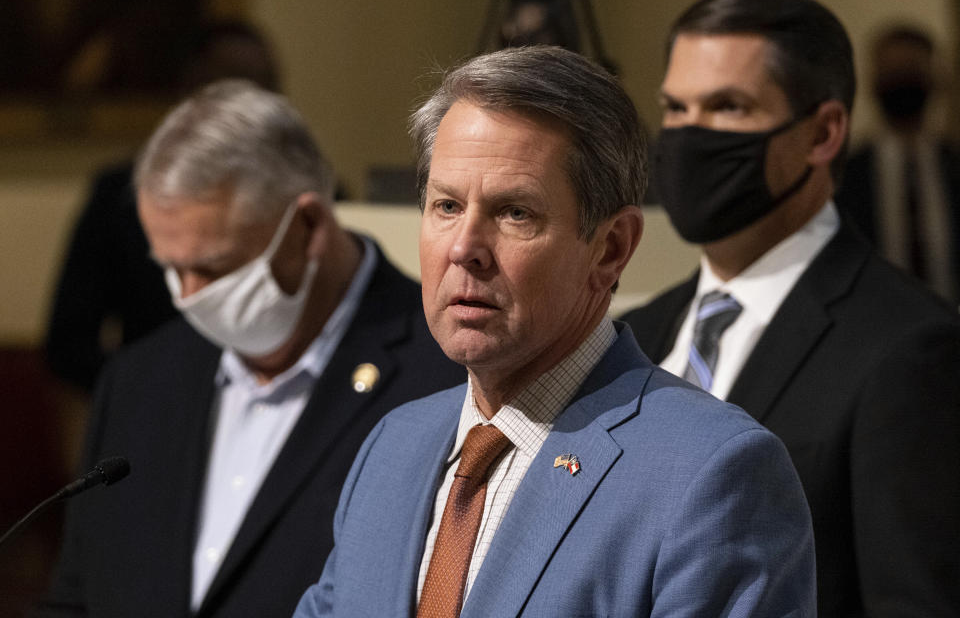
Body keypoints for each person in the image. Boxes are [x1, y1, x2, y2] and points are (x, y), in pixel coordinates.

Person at [294, 45, 815, 617]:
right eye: (446, 206)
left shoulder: (712, 473)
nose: (465, 248)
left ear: (610, 248)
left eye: (515, 212)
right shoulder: (393, 445)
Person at [35, 80, 464, 618]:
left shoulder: (447, 374)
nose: (189, 298)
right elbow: (75, 598)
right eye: (170, 268)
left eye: (212, 268)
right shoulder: (140, 377)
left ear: (308, 225)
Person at [621, 0, 960, 617]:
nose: (692, 137)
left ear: (823, 132)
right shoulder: (632, 335)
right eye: (676, 107)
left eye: (728, 107)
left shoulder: (910, 348)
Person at [44, 20, 281, 393]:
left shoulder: (307, 196)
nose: (251, 103)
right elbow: (69, 345)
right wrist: (147, 393)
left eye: (264, 84)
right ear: (190, 90)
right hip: (158, 407)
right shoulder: (120, 195)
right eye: (233, 83)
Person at [838, 24, 960, 303]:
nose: (902, 81)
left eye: (911, 70)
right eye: (893, 72)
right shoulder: (845, 175)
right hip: (875, 325)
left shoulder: (953, 165)